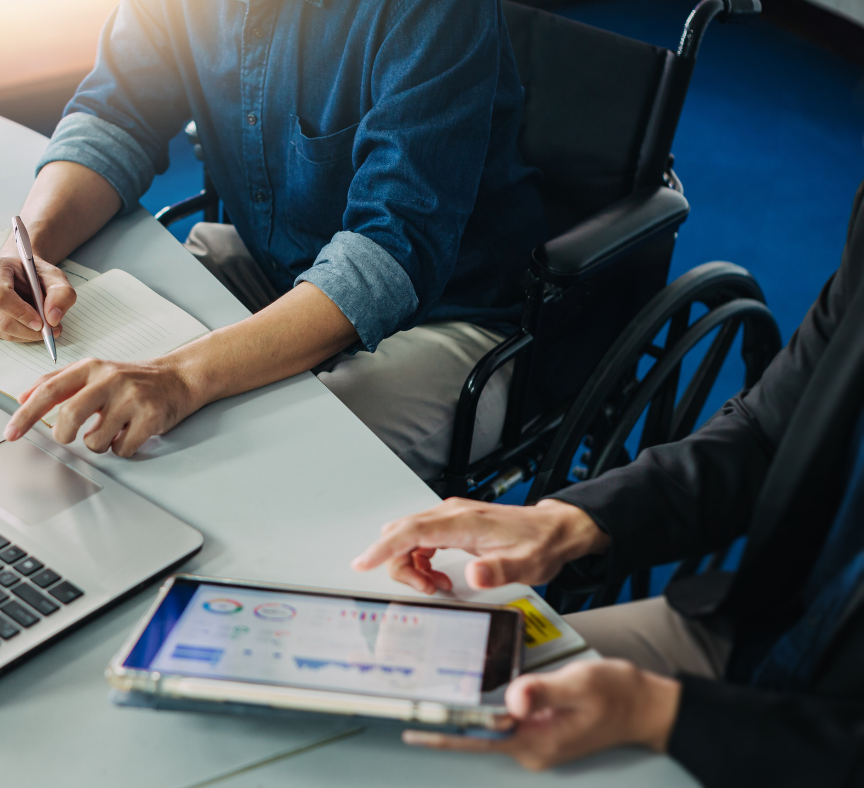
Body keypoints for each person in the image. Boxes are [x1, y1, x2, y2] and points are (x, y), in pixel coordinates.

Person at [352, 181, 864, 786]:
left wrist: (656, 714)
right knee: (390, 725)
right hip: (764, 633)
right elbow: (767, 431)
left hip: (813, 731)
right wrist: (568, 522)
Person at [0, 0, 544, 479]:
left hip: (450, 317)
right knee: (92, 408)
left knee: (243, 470)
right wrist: (27, 251)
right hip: (271, 263)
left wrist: (182, 376)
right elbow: (115, 117)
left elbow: (392, 249)